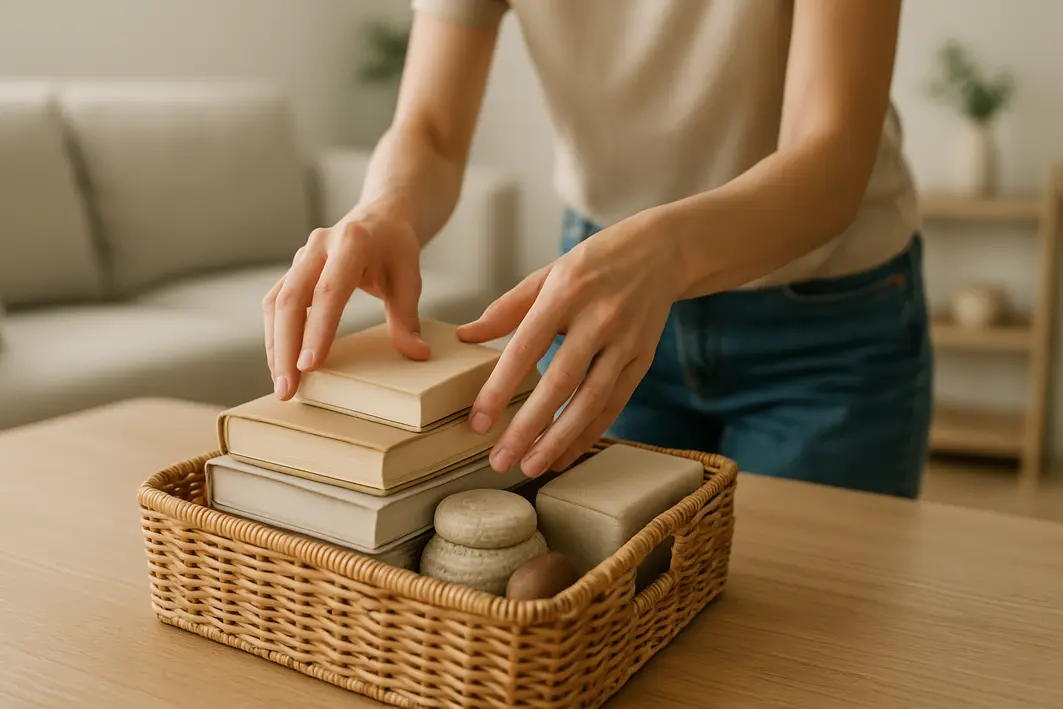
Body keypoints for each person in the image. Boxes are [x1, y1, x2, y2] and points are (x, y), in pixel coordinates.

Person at [263, 0, 932, 499]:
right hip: (600, 303)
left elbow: (830, 158)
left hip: (827, 325)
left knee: (808, 662)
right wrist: (387, 205)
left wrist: (665, 252)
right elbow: (431, 131)